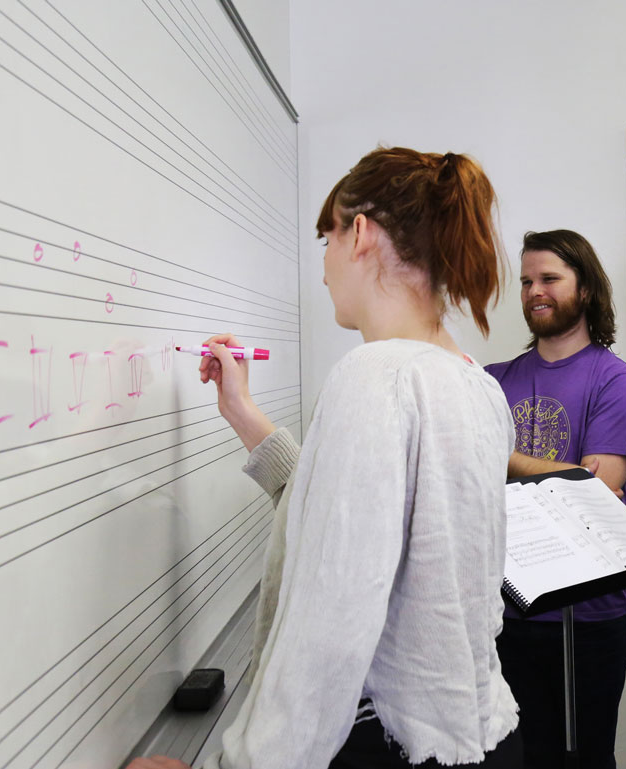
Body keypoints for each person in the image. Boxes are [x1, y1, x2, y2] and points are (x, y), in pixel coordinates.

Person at [127, 147, 521, 769]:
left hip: (382, 747)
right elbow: (351, 519)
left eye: (326, 241)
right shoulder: (474, 382)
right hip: (472, 737)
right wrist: (241, 411)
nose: (324, 269)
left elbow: (329, 633)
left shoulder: (374, 377)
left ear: (359, 232)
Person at [484, 229, 626, 769]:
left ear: (586, 288)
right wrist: (567, 468)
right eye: (528, 280)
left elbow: (597, 490)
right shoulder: (493, 380)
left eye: (550, 278)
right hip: (507, 611)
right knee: (520, 757)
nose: (535, 290)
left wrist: (503, 456)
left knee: (586, 758)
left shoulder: (617, 381)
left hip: (588, 617)